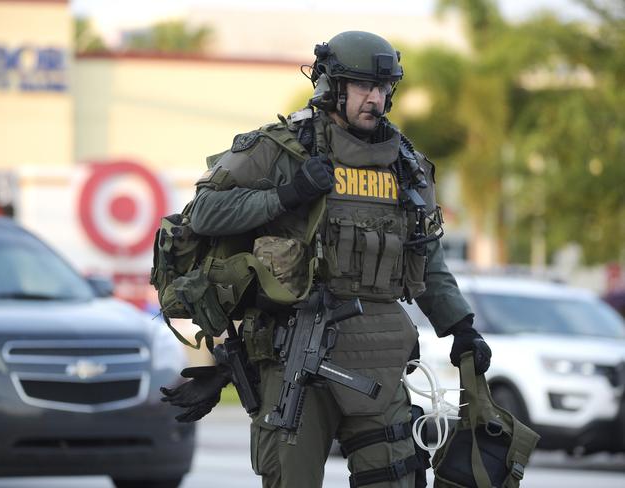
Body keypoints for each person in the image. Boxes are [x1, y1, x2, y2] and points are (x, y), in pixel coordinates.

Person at [164, 31, 492, 488]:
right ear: (332, 87)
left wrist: (461, 327)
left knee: (398, 479)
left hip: (378, 356)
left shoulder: (407, 166)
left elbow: (425, 252)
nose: (374, 99)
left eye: (382, 88)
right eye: (362, 87)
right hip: (294, 350)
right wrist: (287, 195)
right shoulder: (279, 149)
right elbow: (203, 213)